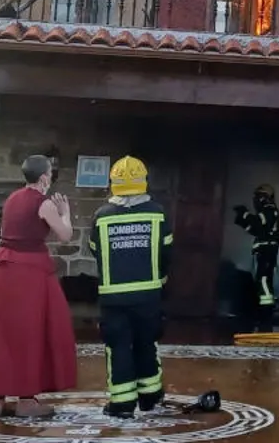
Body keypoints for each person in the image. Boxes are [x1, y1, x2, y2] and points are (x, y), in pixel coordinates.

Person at [0, 154, 78, 418]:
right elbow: (66, 236)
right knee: (31, 332)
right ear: (44, 178)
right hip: (29, 272)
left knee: (1, 333)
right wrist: (65, 213)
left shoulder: (12, 199)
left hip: (2, 270)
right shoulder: (43, 204)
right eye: (50, 175)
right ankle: (25, 400)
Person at [87, 155, 173, 418]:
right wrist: (162, 280)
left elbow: (95, 251)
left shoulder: (101, 216)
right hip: (148, 294)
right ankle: (150, 397)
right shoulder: (157, 213)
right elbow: (166, 251)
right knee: (147, 342)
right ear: (143, 182)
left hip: (113, 298)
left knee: (119, 346)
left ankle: (122, 405)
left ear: (113, 184)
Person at [232, 184, 279, 332]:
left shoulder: (269, 210)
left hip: (267, 251)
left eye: (260, 196)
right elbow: (256, 229)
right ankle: (262, 315)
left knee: (263, 281)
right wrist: (242, 220)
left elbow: (257, 222)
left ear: (266, 197)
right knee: (260, 281)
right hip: (263, 251)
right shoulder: (266, 211)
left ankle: (266, 316)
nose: (257, 199)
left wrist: (245, 214)